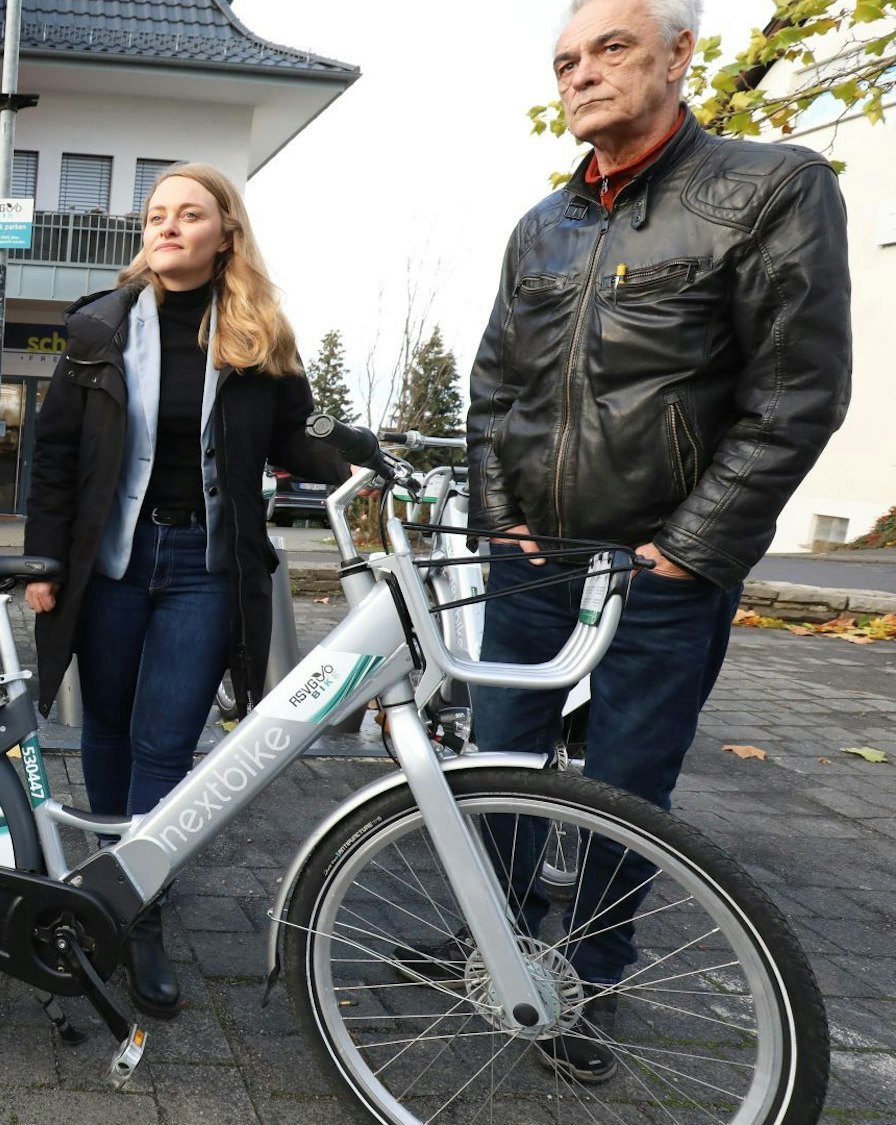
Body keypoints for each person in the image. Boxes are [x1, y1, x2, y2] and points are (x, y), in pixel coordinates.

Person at [458, 0, 851, 1083]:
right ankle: (491, 951)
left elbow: (796, 393)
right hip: (533, 559)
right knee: (498, 764)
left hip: (659, 566)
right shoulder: (541, 224)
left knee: (625, 792)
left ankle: (587, 981)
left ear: (679, 55)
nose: (580, 74)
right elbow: (493, 389)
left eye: (610, 48)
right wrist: (503, 520)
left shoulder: (768, 189)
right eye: (564, 60)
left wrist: (688, 548)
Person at [22, 163, 346, 1018]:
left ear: (223, 233)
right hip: (115, 565)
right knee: (108, 734)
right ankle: (105, 885)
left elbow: (301, 433)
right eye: (156, 213)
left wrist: (359, 454)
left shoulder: (257, 332)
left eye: (188, 214)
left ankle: (143, 911)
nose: (167, 226)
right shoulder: (98, 328)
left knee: (166, 745)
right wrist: (44, 565)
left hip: (206, 567)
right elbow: (52, 456)